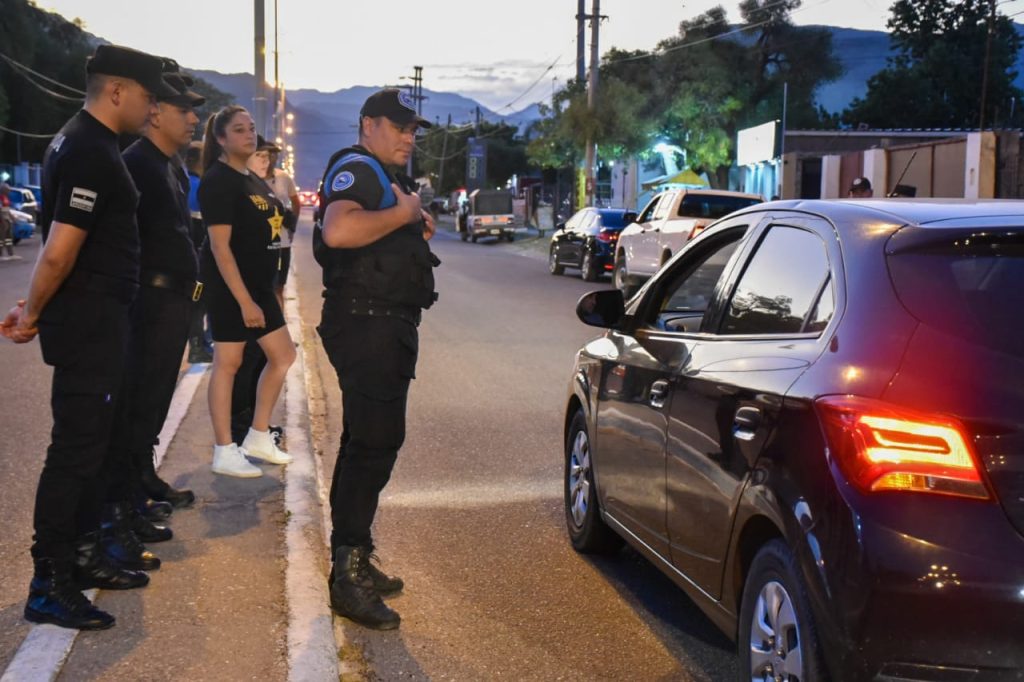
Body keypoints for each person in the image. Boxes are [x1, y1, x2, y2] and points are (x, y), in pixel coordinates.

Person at [1, 44, 178, 631]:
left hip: (95, 317)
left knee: (92, 447)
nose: (153, 108)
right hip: (90, 323)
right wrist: (32, 312)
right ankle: (49, 581)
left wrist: (35, 303)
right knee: (75, 453)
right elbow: (60, 248)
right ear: (118, 91)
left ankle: (81, 557)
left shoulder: (79, 141)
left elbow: (63, 242)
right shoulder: (91, 151)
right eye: (150, 96)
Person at [314, 88, 439, 630]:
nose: (409, 137)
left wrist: (411, 216)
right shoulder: (357, 167)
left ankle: (355, 555)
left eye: (414, 129)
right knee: (374, 445)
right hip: (367, 324)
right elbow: (339, 229)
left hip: (378, 325)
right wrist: (406, 212)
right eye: (399, 126)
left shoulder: (378, 175)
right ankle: (348, 576)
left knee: (366, 442)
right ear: (368, 125)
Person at [97, 68, 204, 575]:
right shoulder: (137, 162)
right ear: (155, 112)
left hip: (174, 302)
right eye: (184, 109)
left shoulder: (172, 165)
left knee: (152, 407)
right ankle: (114, 516)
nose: (193, 118)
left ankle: (135, 495)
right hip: (148, 304)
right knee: (132, 411)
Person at [198, 106, 295, 478]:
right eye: (238, 130)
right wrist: (244, 301)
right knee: (229, 364)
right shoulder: (219, 180)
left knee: (283, 356)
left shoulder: (250, 179)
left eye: (251, 128)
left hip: (258, 288)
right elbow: (220, 249)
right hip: (232, 290)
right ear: (220, 139)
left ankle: (257, 435)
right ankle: (224, 449)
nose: (249, 135)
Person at [185, 140, 214, 363]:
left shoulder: (182, 180)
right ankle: (197, 346)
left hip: (188, 254)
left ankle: (200, 343)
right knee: (199, 303)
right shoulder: (197, 186)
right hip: (197, 256)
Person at [0, 183, 17, 260]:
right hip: (2, 221)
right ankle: (1, 255)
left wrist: (12, 217)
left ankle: (11, 254)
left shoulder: (6, 198)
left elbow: (7, 209)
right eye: (7, 189)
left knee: (8, 238)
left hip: (7, 220)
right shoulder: (0, 198)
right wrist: (2, 221)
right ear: (3, 190)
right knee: (1, 238)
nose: (9, 191)